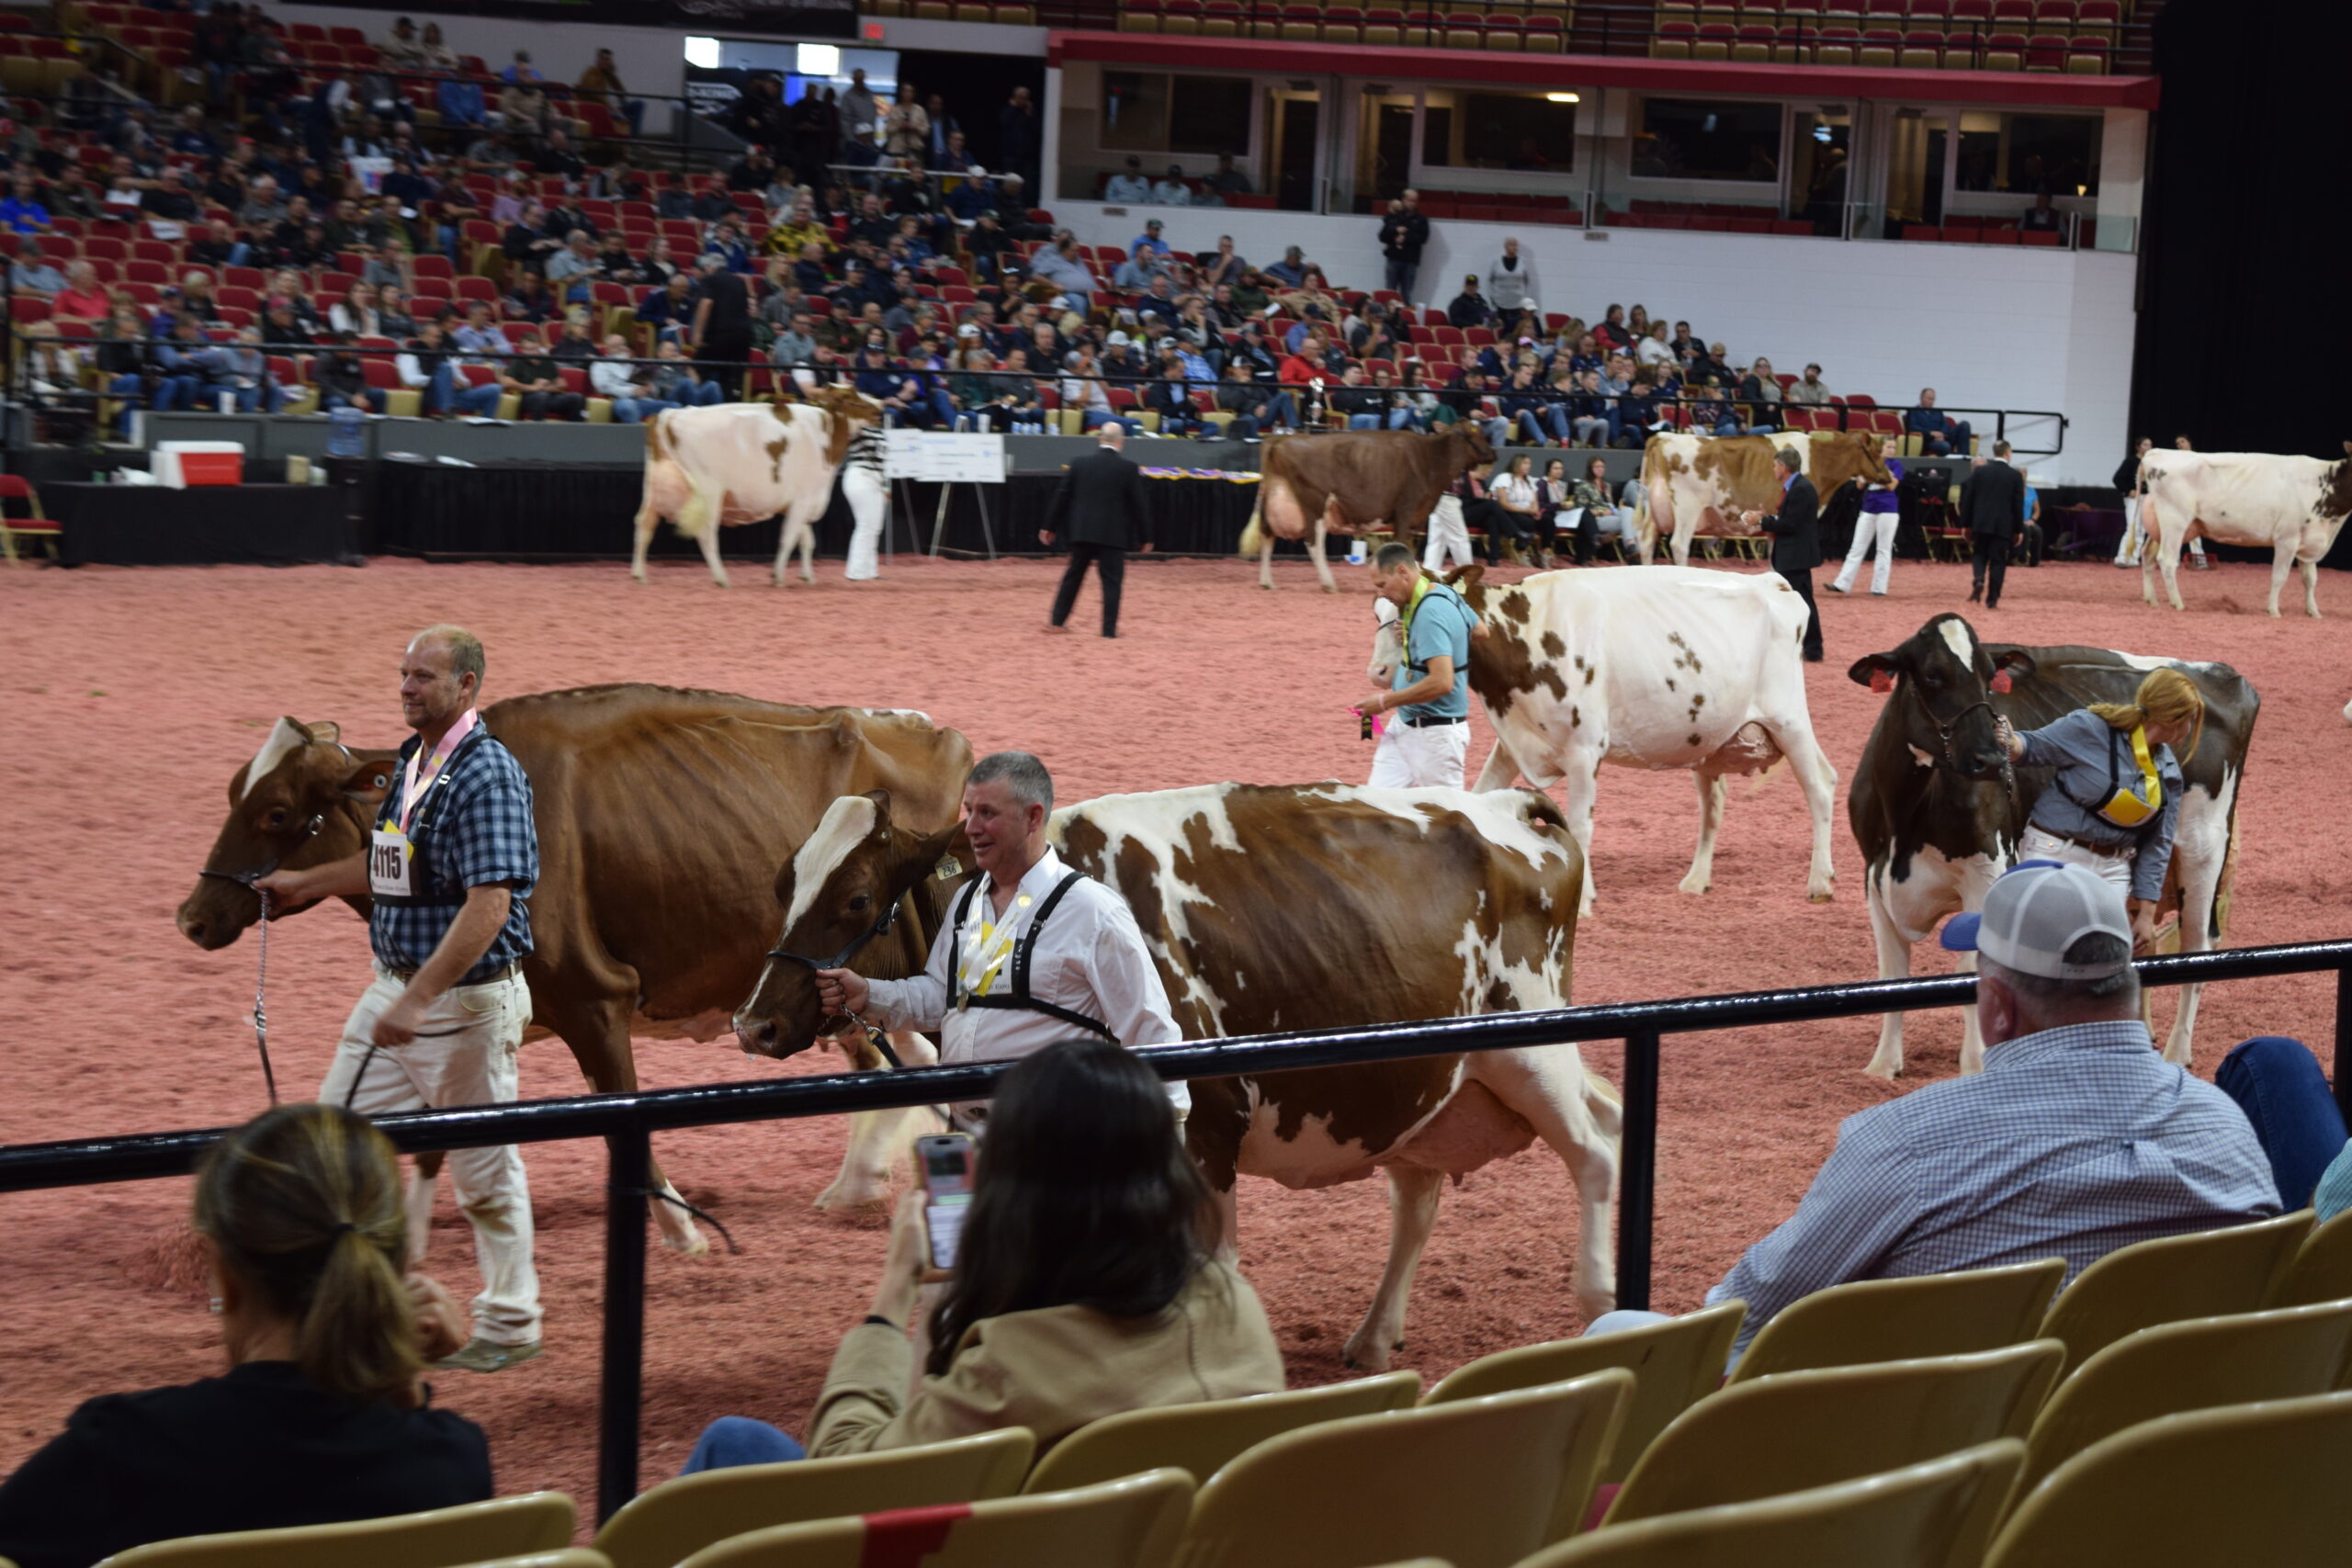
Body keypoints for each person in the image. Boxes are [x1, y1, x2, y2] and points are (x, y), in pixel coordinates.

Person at [1588, 861, 2278, 1361]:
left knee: (1613, 1336)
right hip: (2148, 1481)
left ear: (1998, 1008)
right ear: (2128, 988)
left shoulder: (1908, 1142)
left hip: (1920, 1491)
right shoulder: (2226, 1131)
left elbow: (1743, 1315)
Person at [677, 1040, 1283, 1470]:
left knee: (734, 1443)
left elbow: (850, 1472)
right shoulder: (1237, 1308)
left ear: (1022, 1192)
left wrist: (895, 1296)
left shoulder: (1009, 1371)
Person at [0, 1102, 493, 1568]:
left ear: (225, 1275)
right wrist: (403, 1390)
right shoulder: (455, 1461)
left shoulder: (118, 1449)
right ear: (396, 1265)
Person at [254, 627, 543, 1373]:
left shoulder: (488, 775)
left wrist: (416, 999)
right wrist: (307, 884)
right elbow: (391, 864)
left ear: (467, 686)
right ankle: (350, 1297)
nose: (407, 686)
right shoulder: (416, 761)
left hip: (462, 1005)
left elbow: (490, 903)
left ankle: (511, 1322)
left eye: (424, 676)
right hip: (401, 988)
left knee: (484, 1170)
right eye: (403, 673)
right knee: (338, 1138)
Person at [815, 750, 1186, 1139]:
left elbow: (1152, 1031)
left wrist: (1166, 1143)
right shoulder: (967, 902)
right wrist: (868, 994)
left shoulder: (1092, 912)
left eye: (987, 813)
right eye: (969, 810)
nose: (970, 828)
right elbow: (944, 996)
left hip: (1059, 1138)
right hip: (972, 1137)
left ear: (1033, 817)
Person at [1992, 668, 2202, 952]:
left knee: (2102, 960)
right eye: (2190, 720)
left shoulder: (2169, 773)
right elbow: (2031, 748)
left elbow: (2158, 843)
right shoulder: (2090, 728)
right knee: (2046, 953)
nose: (2190, 730)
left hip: (2113, 869)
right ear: (2176, 718)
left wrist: (2146, 914)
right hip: (2055, 854)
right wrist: (2010, 740)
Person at [1360, 542, 1481, 788]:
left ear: (1403, 572)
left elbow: (1442, 682)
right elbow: (1481, 630)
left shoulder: (1428, 614)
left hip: (1435, 737)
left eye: (1382, 584)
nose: (1381, 593)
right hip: (1406, 725)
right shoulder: (1445, 592)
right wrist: (1421, 636)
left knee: (1448, 823)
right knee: (1376, 807)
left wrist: (1384, 702)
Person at [1040, 428, 1154, 637]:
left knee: (1073, 576)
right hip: (1113, 534)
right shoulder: (1128, 468)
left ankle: (1057, 621)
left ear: (1099, 439)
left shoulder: (1079, 463)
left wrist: (1049, 526)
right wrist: (1146, 537)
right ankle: (1108, 630)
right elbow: (1139, 505)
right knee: (1112, 582)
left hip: (1082, 531)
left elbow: (1061, 497)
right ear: (1121, 442)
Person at [1739, 447, 1824, 661]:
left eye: (1775, 466)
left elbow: (1789, 524)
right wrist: (1766, 517)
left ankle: (1813, 649)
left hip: (1795, 555)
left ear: (1784, 467)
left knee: (1803, 602)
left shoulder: (1800, 489)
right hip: (1793, 554)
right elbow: (1788, 519)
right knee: (1798, 601)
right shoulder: (1797, 487)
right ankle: (1806, 646)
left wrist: (1760, 521)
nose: (1774, 470)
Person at [1829, 434, 1904, 597]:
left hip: (1888, 509)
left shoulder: (1896, 465)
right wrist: (1870, 474)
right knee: (1857, 547)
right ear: (1881, 448)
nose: (1891, 451)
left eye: (1893, 448)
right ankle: (1841, 584)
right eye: (1888, 447)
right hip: (1868, 508)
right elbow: (1859, 484)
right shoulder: (1871, 463)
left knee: (1883, 549)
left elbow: (1891, 486)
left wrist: (1875, 476)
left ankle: (1879, 588)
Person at [1962, 439, 2028, 608]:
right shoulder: (2014, 476)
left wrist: (1966, 524)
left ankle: (1978, 579)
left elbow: (1969, 500)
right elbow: (2017, 505)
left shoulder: (1980, 472)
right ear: (2007, 453)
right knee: (1998, 561)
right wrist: (2018, 529)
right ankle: (1992, 599)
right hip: (2003, 526)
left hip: (1981, 523)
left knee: (1979, 554)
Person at [688, 252, 753, 399]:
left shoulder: (710, 279)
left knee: (697, 369)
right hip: (743, 336)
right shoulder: (739, 281)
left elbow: (706, 303)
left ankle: (695, 407)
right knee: (732, 378)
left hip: (721, 333)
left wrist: (697, 334)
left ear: (709, 267)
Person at [1378, 190, 1430, 300]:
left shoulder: (1421, 219)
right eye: (1409, 200)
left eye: (1414, 201)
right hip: (1393, 258)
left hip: (1410, 260)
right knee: (1390, 292)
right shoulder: (1393, 217)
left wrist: (1405, 238)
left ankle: (1404, 315)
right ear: (1403, 200)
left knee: (1406, 294)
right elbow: (1382, 236)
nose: (1412, 203)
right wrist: (1395, 231)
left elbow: (1423, 238)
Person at [1906, 387, 1971, 457]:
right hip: (1928, 440)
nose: (1931, 402)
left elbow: (1945, 425)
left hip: (1943, 437)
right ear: (1921, 398)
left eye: (1933, 399)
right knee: (1945, 446)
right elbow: (1912, 427)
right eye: (1929, 399)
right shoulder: (1913, 411)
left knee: (1965, 424)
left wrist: (1941, 434)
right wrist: (1930, 433)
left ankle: (1963, 457)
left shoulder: (1937, 411)